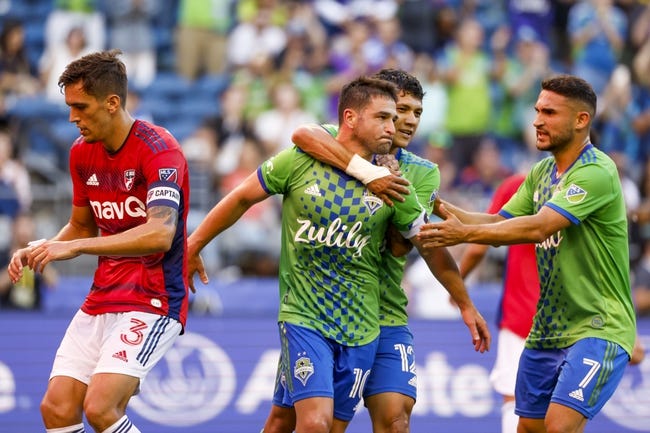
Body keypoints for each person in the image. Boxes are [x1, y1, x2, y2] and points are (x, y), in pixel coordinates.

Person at [187, 76, 490, 433]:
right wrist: (364, 170)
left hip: (380, 314)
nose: (404, 122)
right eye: (396, 112)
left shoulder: (419, 175)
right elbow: (301, 134)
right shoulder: (318, 150)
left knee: (392, 420)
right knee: (301, 421)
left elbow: (407, 246)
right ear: (355, 117)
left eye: (414, 113)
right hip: (309, 312)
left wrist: (464, 301)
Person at [418, 74, 637, 433]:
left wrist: (465, 233)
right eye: (537, 110)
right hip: (546, 331)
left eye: (549, 112)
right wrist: (433, 204)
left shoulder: (597, 171)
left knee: (558, 427)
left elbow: (538, 227)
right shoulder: (542, 172)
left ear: (581, 120)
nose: (536, 120)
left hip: (598, 327)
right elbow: (495, 220)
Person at [6, 49, 190, 433]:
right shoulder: (80, 153)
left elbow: (160, 234)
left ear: (112, 103)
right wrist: (46, 246)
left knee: (101, 408)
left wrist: (75, 248)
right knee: (56, 409)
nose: (72, 117)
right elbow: (81, 227)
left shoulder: (160, 150)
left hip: (153, 298)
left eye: (80, 107)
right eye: (69, 106)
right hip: (103, 295)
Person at [458, 173, 540, 433]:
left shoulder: (518, 185)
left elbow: (480, 242)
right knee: (563, 409)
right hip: (569, 319)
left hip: (521, 315)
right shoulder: (590, 184)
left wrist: (456, 287)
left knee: (514, 399)